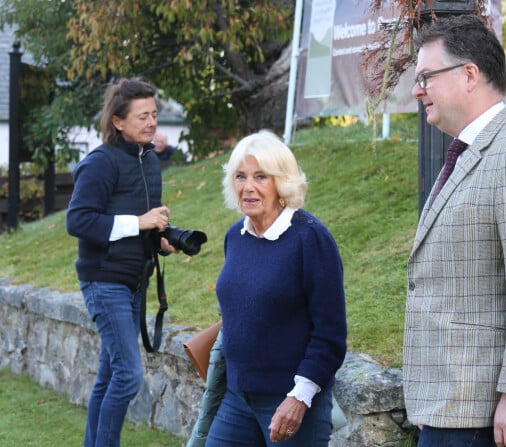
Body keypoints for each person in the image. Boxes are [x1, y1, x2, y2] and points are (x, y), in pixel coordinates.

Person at [403, 15, 506, 447]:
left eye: (425, 77)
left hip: (483, 413)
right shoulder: (466, 154)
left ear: (470, 75)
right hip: (447, 406)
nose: (417, 89)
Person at [204, 130, 347, 447]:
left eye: (261, 177)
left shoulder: (310, 239)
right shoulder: (235, 236)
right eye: (240, 176)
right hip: (237, 397)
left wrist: (300, 397)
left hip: (291, 400)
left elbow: (331, 333)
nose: (248, 187)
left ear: (281, 182)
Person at [66, 78, 178, 447]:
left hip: (134, 280)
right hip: (104, 280)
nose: (151, 123)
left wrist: (159, 240)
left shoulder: (149, 162)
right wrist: (140, 222)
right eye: (142, 116)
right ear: (117, 121)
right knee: (128, 376)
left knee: (109, 373)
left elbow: (136, 222)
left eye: (154, 114)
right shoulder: (99, 163)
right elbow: (78, 221)